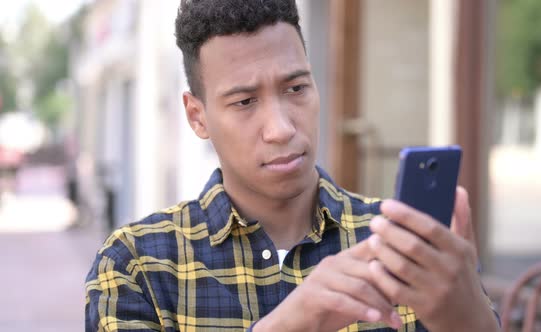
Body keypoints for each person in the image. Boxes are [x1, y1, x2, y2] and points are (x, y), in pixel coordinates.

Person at [85, 0, 500, 331]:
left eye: (296, 88)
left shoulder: (397, 246)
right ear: (198, 116)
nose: (281, 129)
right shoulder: (138, 264)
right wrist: (294, 323)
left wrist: (469, 319)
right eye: (245, 102)